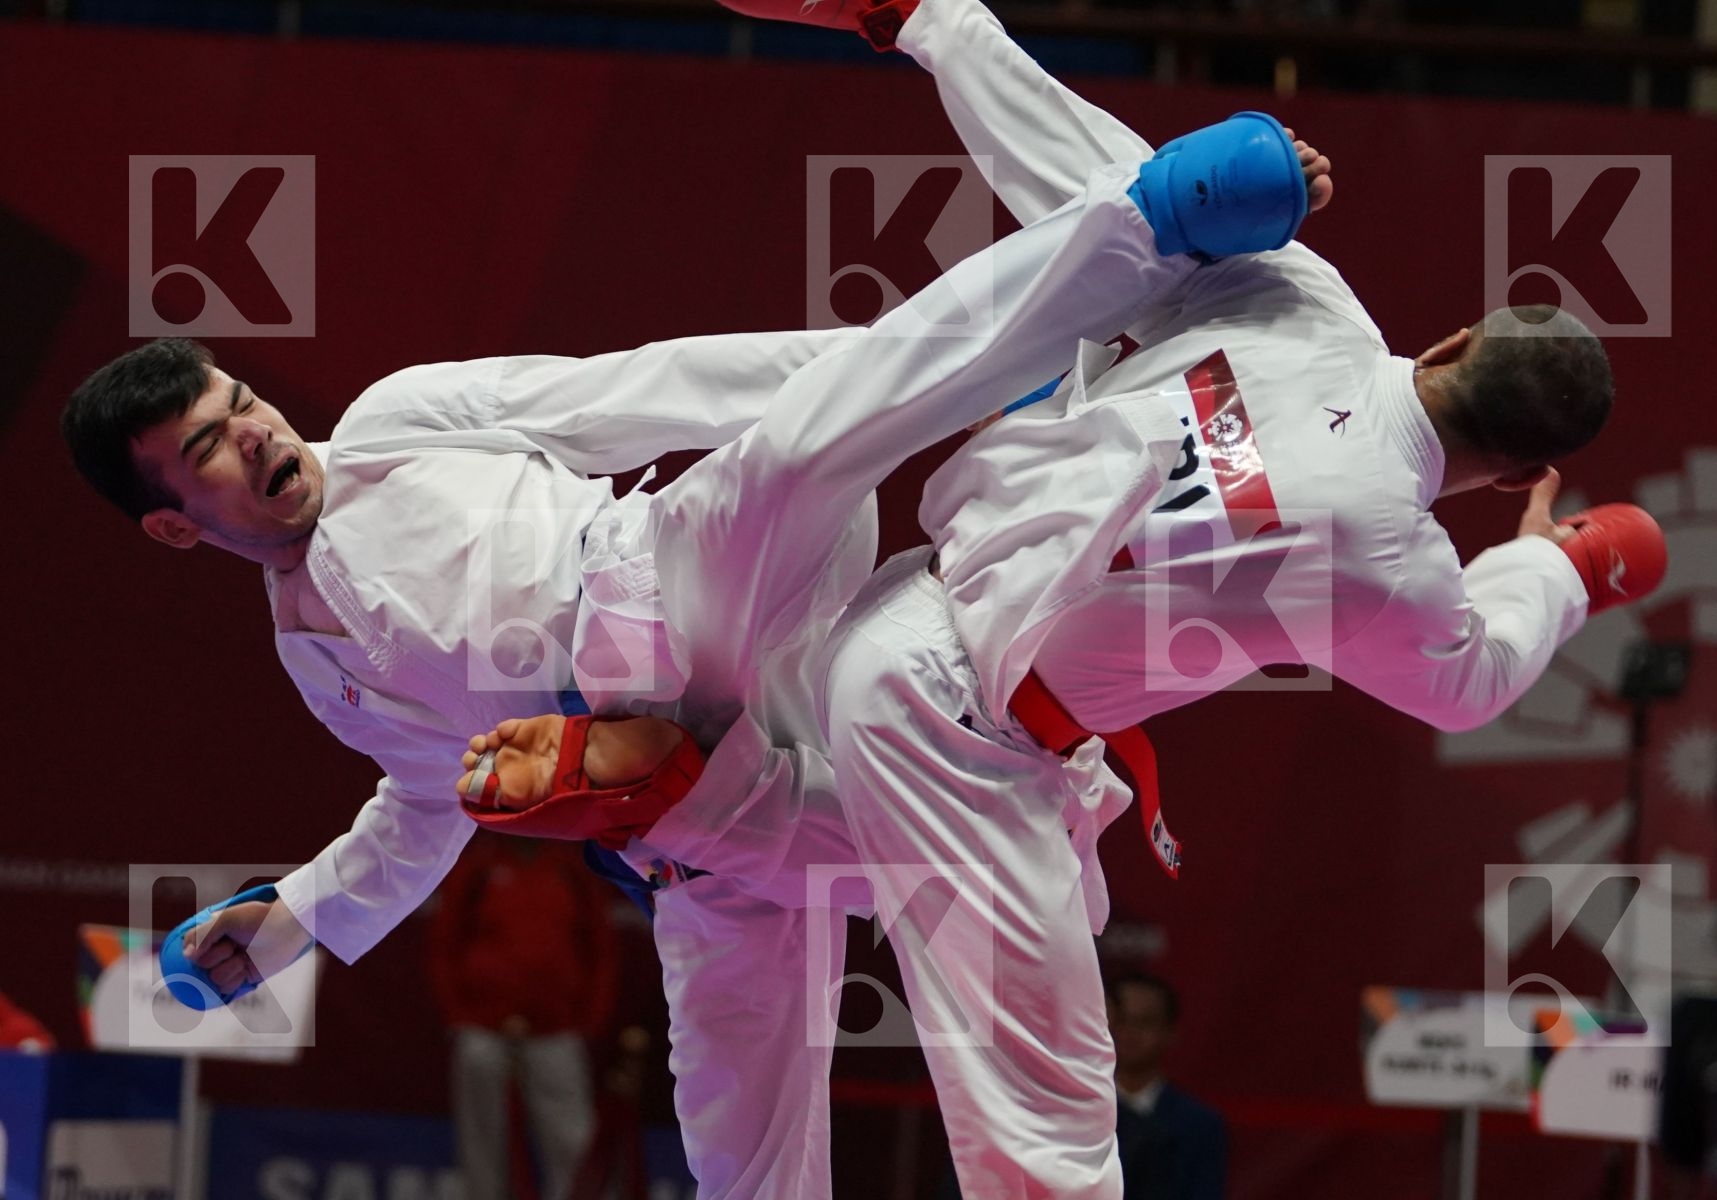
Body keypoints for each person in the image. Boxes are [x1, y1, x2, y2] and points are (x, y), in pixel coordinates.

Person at [62, 20, 1324, 1193]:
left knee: (800, 448)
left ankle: (1151, 225)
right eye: (208, 448)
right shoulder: (317, 667)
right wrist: (290, 921)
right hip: (670, 804)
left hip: (662, 588)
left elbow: (629, 391)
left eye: (240, 403)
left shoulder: (393, 423)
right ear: (174, 524)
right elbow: (421, 802)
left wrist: (882, 375)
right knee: (736, 1115)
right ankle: (1041, 802)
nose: (253, 432)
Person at [428, 833, 617, 1200]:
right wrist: (458, 1015)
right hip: (483, 1027)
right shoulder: (480, 865)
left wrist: (590, 1018)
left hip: (556, 1027)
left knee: (572, 1138)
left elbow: (600, 948)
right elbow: (445, 942)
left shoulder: (571, 869)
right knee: (482, 1138)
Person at [1107, 972, 1227, 1200]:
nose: (1130, 1032)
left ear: (1170, 1032)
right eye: (1121, 1020)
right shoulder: (1079, 1115)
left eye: (1145, 1022)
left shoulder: (1199, 1124)